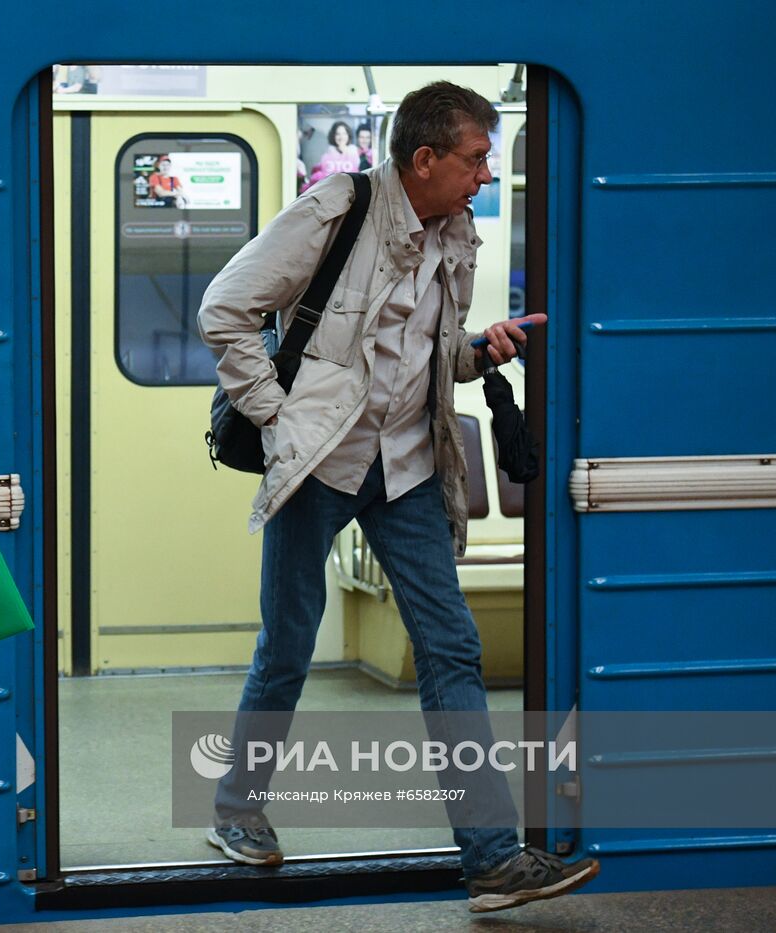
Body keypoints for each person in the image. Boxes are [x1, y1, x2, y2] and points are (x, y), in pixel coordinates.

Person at [197, 81, 597, 913]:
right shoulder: (336, 208)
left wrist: (479, 352)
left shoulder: (457, 233)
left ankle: (491, 857)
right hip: (320, 464)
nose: (486, 174)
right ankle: (237, 808)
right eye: (476, 158)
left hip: (407, 465)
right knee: (289, 646)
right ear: (425, 160)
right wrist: (279, 419)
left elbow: (427, 355)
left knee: (450, 648)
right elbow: (224, 309)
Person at [304, 120, 360, 190]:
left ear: (348, 135)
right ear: (333, 136)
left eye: (344, 133)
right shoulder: (326, 155)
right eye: (338, 134)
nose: (341, 137)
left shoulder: (354, 153)